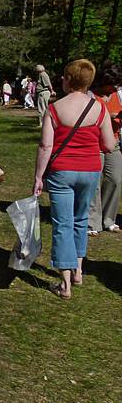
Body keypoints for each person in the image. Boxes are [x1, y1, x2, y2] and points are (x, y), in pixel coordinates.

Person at [32, 59, 116, 299]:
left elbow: (46, 145)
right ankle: (78, 269)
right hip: (90, 170)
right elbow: (109, 145)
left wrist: (39, 177)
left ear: (68, 79)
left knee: (62, 223)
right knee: (81, 219)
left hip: (62, 171)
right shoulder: (99, 107)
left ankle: (65, 282)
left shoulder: (55, 108)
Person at [87, 64, 122, 235]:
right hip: (95, 143)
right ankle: (92, 222)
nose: (114, 88)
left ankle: (109, 219)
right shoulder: (90, 95)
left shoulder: (116, 95)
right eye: (112, 84)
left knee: (115, 179)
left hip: (114, 142)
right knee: (94, 183)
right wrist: (109, 116)